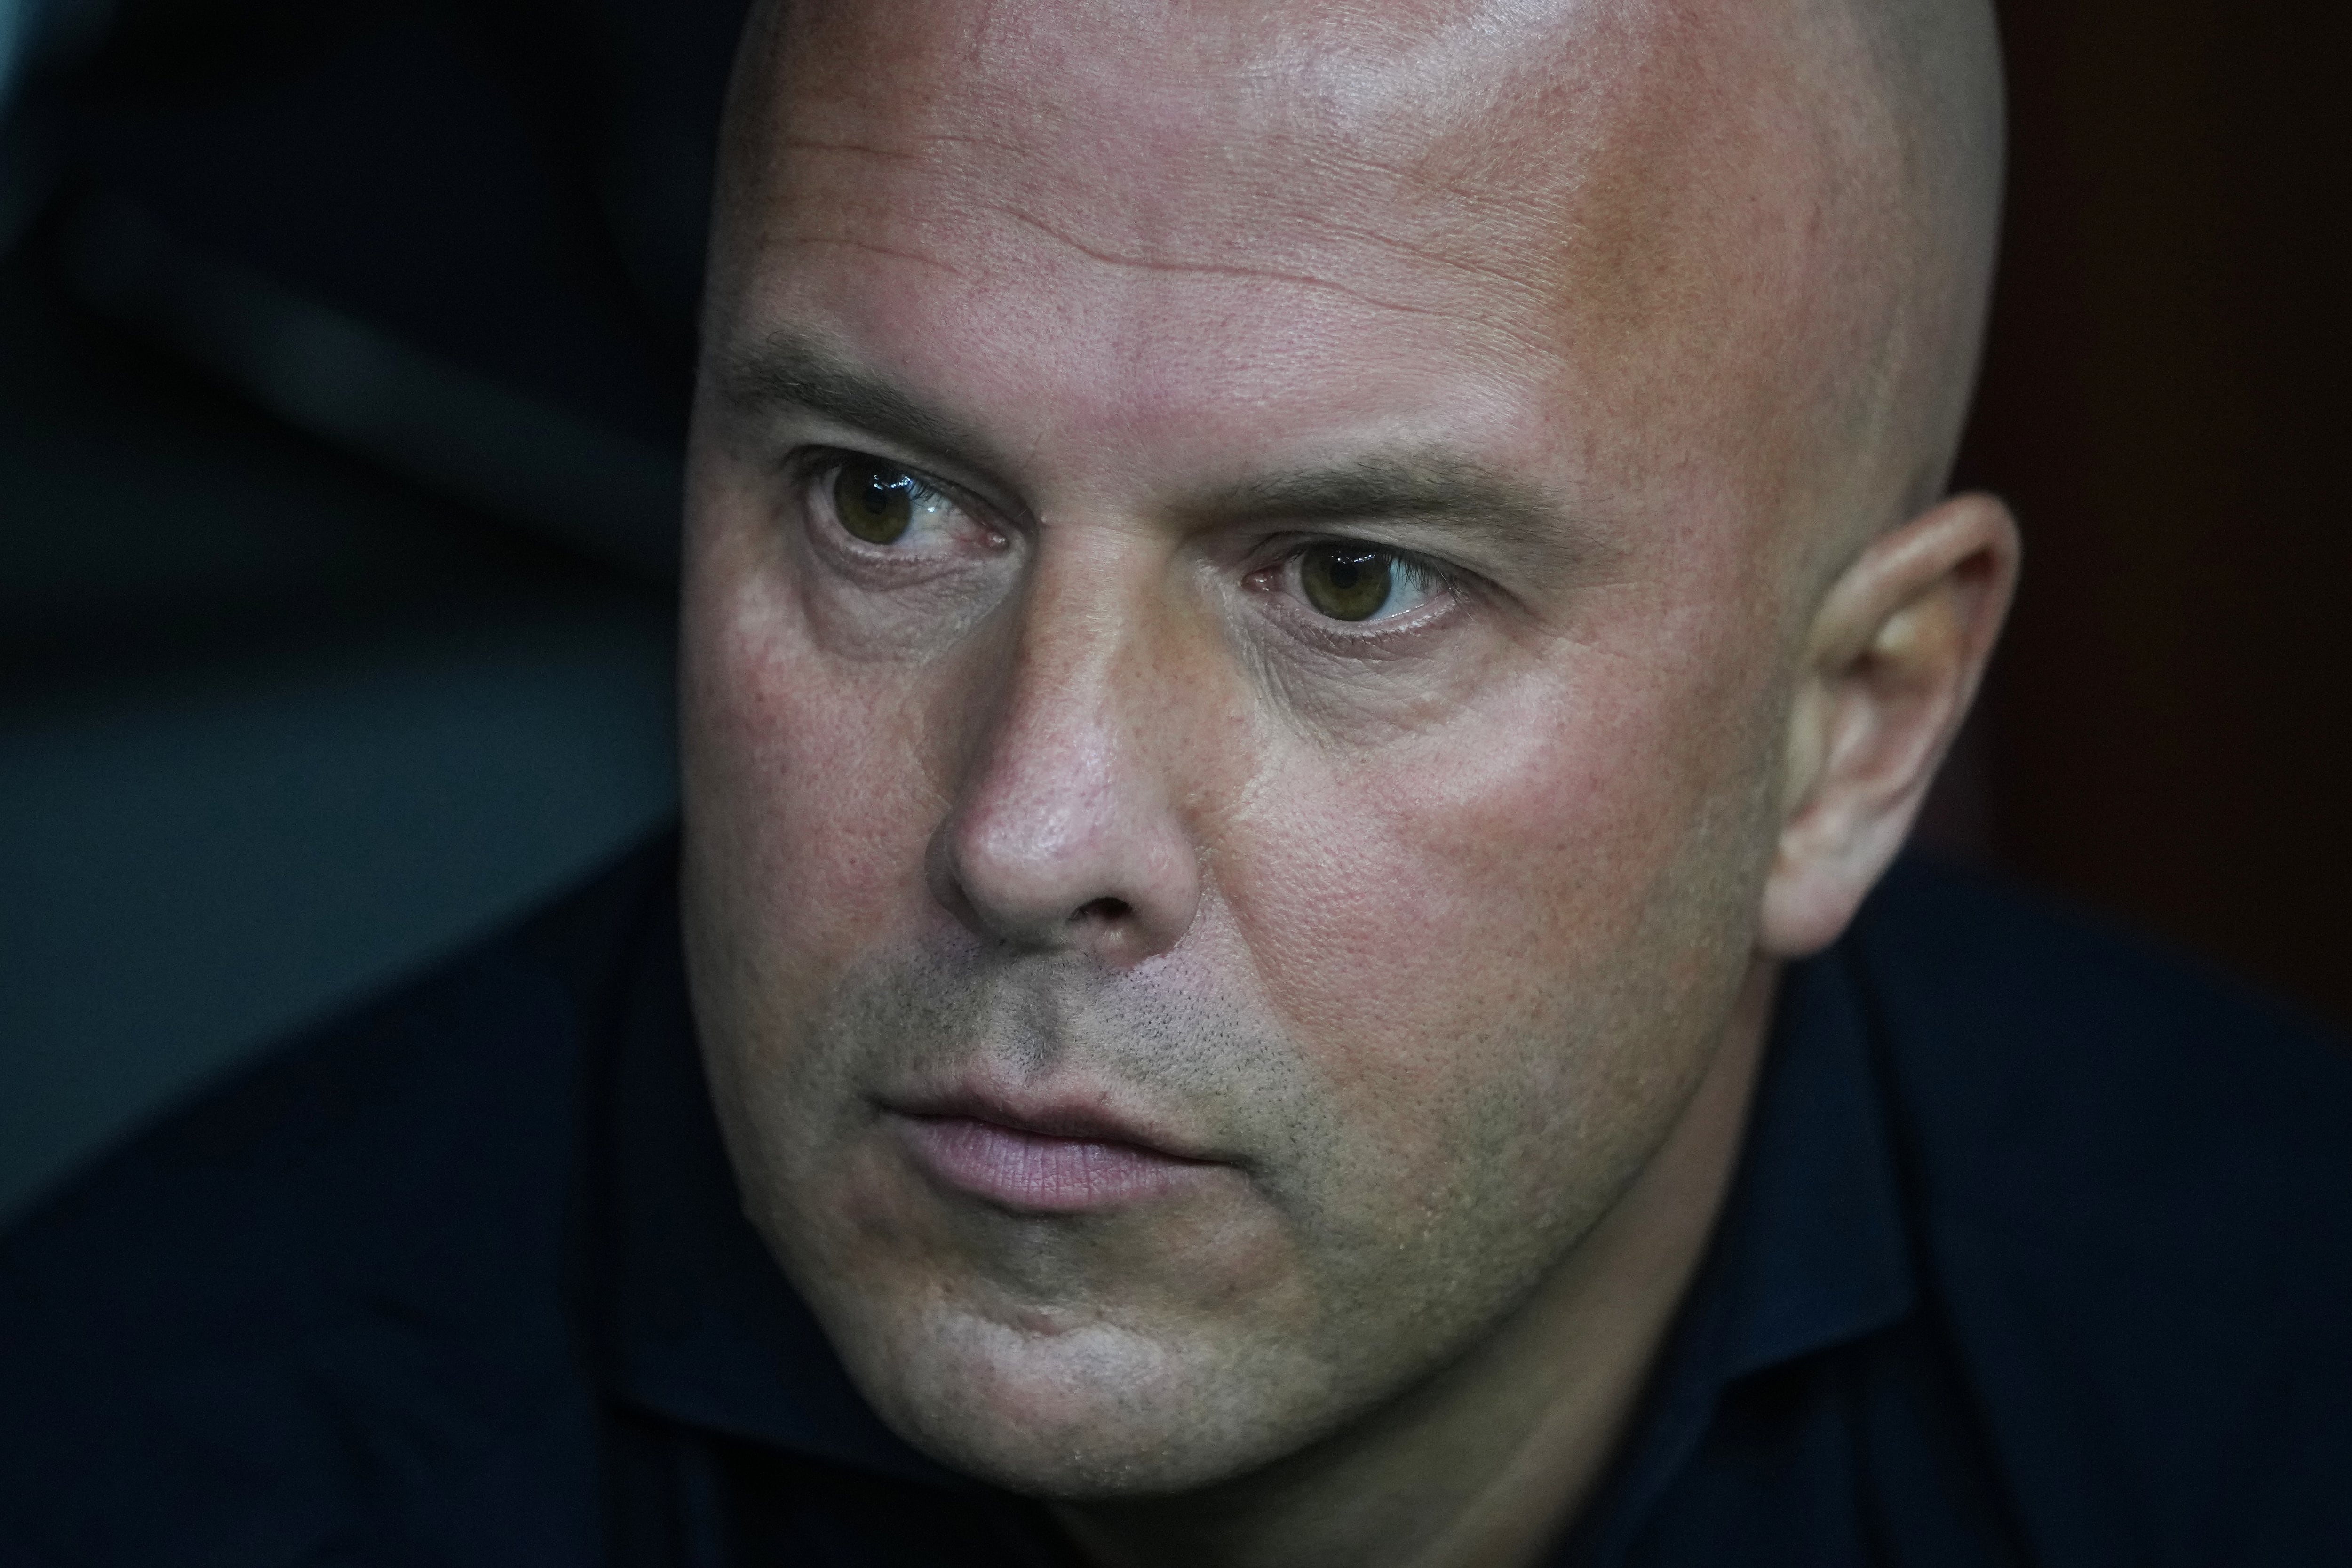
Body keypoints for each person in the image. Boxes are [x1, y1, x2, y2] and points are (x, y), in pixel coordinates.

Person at [3, 0, 2348, 1563]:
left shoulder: (2259, 1386)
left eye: (1349, 580)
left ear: (1855, 733)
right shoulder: (126, 1470)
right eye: (884, 506)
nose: (1029, 833)